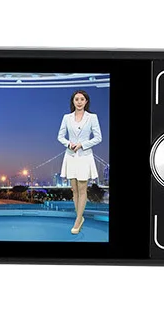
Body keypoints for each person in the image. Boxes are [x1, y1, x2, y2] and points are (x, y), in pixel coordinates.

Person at [57, 90, 102, 234]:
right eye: (76, 99)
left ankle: (77, 220)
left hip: (84, 156)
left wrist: (82, 144)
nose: (79, 102)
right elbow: (60, 136)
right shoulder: (66, 117)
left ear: (86, 101)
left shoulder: (92, 117)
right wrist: (68, 144)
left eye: (82, 99)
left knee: (82, 190)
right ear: (73, 101)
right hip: (70, 156)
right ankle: (80, 217)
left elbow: (98, 137)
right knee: (75, 190)